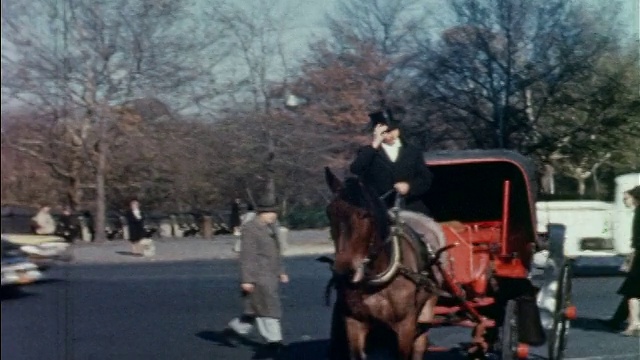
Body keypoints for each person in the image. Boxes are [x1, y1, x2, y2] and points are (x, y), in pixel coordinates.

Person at [223, 192, 289, 357]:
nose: (274, 215)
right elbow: (247, 256)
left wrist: (281, 271)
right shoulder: (251, 229)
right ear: (261, 213)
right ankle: (274, 341)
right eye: (270, 212)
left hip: (270, 274)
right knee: (268, 308)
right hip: (258, 276)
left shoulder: (271, 227)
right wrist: (247, 280)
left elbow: (276, 252)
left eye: (275, 212)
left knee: (255, 309)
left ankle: (233, 331)